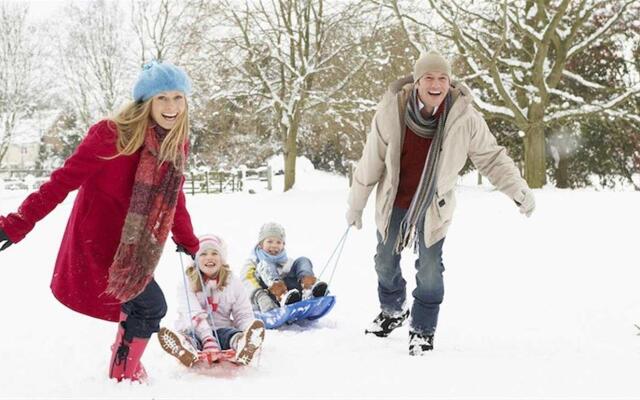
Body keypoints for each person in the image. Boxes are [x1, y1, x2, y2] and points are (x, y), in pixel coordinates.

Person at [0, 60, 200, 381]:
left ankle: (125, 356)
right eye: (162, 97)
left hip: (133, 246)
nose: (171, 106)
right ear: (146, 101)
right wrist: (17, 223)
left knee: (140, 306)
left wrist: (189, 241)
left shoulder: (174, 143)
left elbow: (173, 196)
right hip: (98, 242)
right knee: (150, 305)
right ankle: (123, 371)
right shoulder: (111, 135)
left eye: (178, 97)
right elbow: (62, 182)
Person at [345, 50, 535, 356]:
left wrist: (517, 189)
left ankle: (422, 329)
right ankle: (393, 310)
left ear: (449, 81)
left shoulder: (464, 117)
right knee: (384, 261)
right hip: (394, 202)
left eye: (443, 78)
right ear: (418, 81)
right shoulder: (391, 112)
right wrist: (356, 205)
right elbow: (370, 162)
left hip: (435, 206)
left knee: (430, 269)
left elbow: (491, 157)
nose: (436, 84)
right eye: (430, 78)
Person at [158, 234, 265, 366]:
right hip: (195, 330)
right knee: (191, 338)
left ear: (222, 258)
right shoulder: (187, 282)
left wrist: (248, 330)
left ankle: (243, 344)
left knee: (231, 334)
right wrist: (208, 339)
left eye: (215, 253)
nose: (209, 257)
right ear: (196, 259)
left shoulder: (233, 282)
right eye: (203, 254)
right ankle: (184, 348)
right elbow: (193, 312)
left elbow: (243, 313)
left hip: (221, 330)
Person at [241, 222, 329, 312]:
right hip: (268, 297)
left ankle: (310, 289)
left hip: (293, 295)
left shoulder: (287, 262)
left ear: (283, 245)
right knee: (266, 264)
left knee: (302, 260)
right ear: (260, 244)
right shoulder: (252, 262)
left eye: (278, 242)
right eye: (270, 241)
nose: (274, 245)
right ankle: (282, 295)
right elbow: (246, 282)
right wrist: (260, 296)